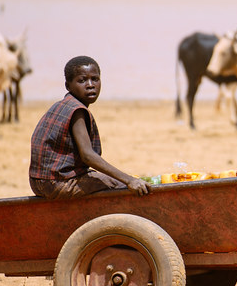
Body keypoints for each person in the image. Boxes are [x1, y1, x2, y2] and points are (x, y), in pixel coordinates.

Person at [29, 55, 151, 199]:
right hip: (58, 183)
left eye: (95, 79)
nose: (90, 85)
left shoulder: (63, 105)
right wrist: (130, 180)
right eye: (82, 80)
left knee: (109, 180)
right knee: (119, 186)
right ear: (68, 85)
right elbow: (88, 156)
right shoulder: (77, 110)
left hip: (39, 182)